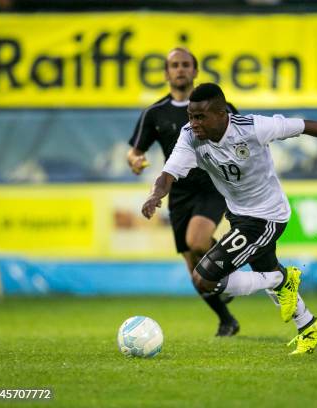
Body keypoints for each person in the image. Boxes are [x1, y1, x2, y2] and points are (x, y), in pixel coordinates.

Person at [142, 83, 317, 354]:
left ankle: (281, 279)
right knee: (265, 270)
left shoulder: (252, 128)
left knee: (204, 279)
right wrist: (155, 195)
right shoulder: (190, 136)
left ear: (221, 113)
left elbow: (303, 126)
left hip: (266, 217)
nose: (194, 123)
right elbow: (168, 172)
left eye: (200, 117)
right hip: (239, 215)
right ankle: (309, 325)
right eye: (191, 116)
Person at [127, 48, 240, 337]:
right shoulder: (155, 113)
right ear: (166, 73)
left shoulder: (218, 108)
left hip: (212, 185)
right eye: (174, 65)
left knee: (197, 240)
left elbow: (242, 137)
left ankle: (224, 269)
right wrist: (136, 161)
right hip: (177, 193)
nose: (180, 69)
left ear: (195, 71)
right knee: (194, 268)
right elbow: (135, 151)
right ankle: (226, 319)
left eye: (185, 65)